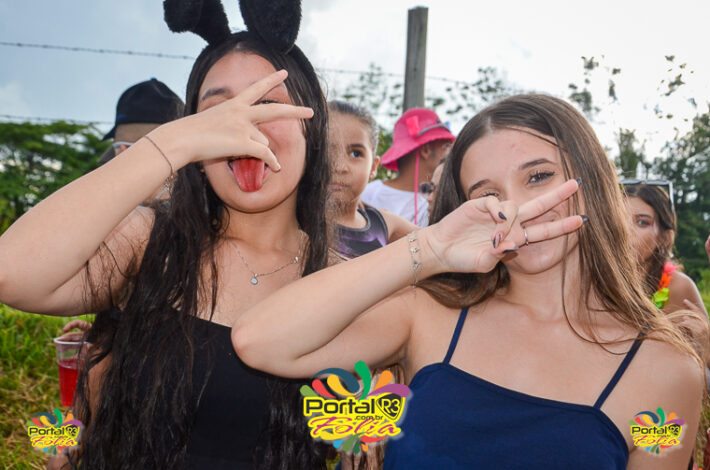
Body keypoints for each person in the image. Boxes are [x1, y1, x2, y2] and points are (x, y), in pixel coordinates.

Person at [233, 94, 704, 469]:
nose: (515, 207)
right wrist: (429, 248)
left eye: (538, 177)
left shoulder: (667, 371)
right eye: (488, 194)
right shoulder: (428, 314)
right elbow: (260, 342)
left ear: (592, 179)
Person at [0, 0, 335, 468]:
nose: (245, 123)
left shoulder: (345, 279)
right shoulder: (149, 242)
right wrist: (170, 143)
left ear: (312, 128)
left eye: (268, 104)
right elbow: (13, 273)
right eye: (218, 110)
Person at [328, 100, 417, 259]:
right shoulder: (293, 225)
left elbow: (440, 241)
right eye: (327, 151)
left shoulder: (382, 223)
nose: (340, 167)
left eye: (355, 153)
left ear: (373, 167)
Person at [361, 108, 454, 227]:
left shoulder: (441, 200)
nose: (450, 153)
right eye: (446, 146)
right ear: (426, 150)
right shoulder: (367, 195)